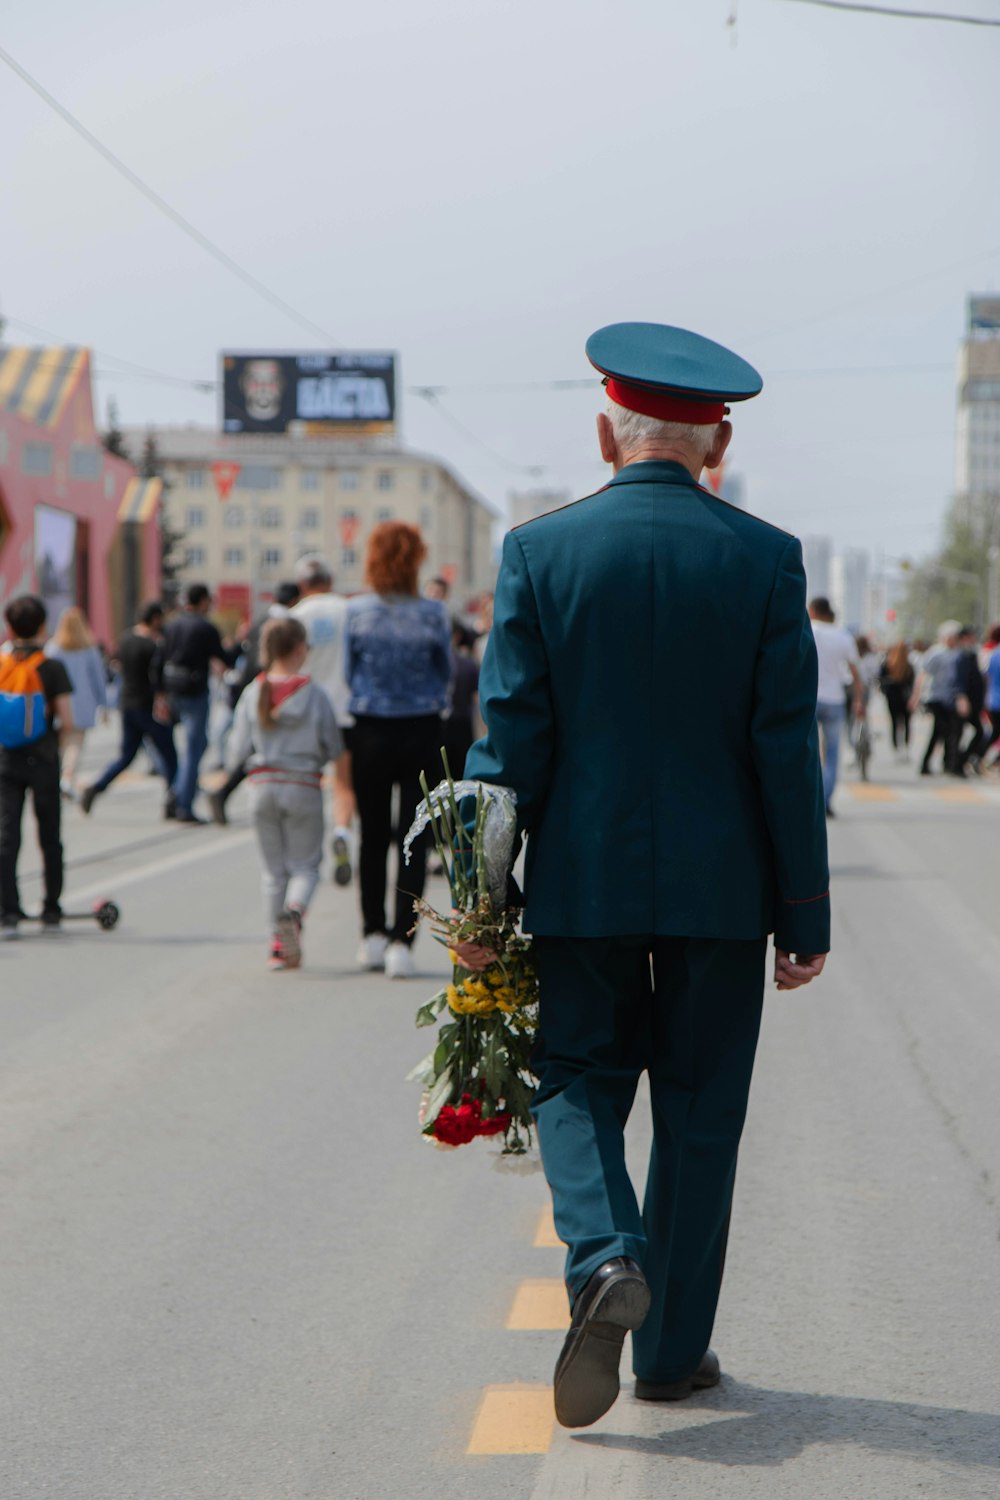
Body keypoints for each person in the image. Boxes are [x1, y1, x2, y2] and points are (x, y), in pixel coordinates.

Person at [455, 321, 829, 1429]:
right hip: (723, 892)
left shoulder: (539, 552)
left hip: (584, 883)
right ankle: (668, 1356)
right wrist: (802, 914)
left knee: (574, 1078)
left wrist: (477, 903)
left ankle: (604, 1258)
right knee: (703, 1114)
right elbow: (782, 749)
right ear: (714, 444)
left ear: (605, 433)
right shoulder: (765, 557)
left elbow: (506, 746)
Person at [345, 521, 451, 979]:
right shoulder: (434, 614)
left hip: (369, 728)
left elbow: (349, 672)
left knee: (372, 832)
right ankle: (400, 942)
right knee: (414, 836)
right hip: (421, 728)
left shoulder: (357, 611)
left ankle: (370, 934)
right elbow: (445, 671)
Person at [227, 617, 342, 971]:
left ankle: (277, 947)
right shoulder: (314, 693)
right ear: (297, 649)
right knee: (306, 867)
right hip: (302, 785)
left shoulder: (253, 691)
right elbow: (333, 746)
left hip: (261, 787)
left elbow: (235, 751)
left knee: (273, 873)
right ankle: (294, 913)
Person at [0, 595, 74, 935]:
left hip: (5, 759)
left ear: (9, 627)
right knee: (49, 834)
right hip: (43, 759)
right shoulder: (51, 666)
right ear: (43, 626)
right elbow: (67, 720)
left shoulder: (2, 664)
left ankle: (9, 911)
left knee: (6, 835)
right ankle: (51, 908)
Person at [208, 581, 300, 825]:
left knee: (255, 746)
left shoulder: (262, 618)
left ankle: (224, 792)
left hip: (253, 687)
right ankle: (225, 791)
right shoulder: (288, 624)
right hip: (274, 690)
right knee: (264, 748)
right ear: (294, 601)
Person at [80, 602, 178, 817]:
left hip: (127, 704)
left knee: (126, 756)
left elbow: (116, 663)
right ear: (154, 619)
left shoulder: (125, 639)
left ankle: (96, 787)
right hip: (147, 706)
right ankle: (173, 801)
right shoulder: (152, 645)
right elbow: (159, 680)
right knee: (170, 756)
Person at [291, 557, 355, 884]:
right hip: (346, 711)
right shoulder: (348, 610)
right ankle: (342, 829)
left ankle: (308, 849)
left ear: (303, 584)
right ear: (330, 581)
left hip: (307, 713)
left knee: (309, 782)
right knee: (343, 783)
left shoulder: (296, 615)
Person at [161, 583, 239, 824]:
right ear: (203, 601)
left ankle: (177, 793)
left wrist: (159, 694)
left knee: (193, 747)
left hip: (173, 688)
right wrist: (239, 643)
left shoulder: (172, 625)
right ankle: (183, 803)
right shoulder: (205, 628)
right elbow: (225, 659)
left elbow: (159, 658)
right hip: (195, 691)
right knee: (195, 748)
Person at [808, 597, 864, 816]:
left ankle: (810, 800)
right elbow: (855, 671)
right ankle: (825, 801)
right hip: (835, 700)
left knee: (808, 752)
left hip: (809, 700)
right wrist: (859, 700)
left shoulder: (806, 629)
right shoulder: (843, 636)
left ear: (812, 610)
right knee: (832, 754)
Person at [45, 606, 107, 799]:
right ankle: (68, 777)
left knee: (62, 743)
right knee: (76, 744)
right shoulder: (89, 648)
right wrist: (103, 704)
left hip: (59, 702)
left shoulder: (53, 648)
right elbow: (99, 679)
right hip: (83, 703)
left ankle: (58, 777)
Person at [910, 620, 961, 776]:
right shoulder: (935, 653)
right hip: (935, 698)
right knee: (940, 730)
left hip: (950, 698)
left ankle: (946, 763)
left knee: (948, 731)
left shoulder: (957, 653)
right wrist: (916, 696)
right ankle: (928, 763)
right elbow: (923, 675)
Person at [953, 625, 987, 776]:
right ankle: (957, 763)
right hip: (966, 701)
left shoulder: (970, 654)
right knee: (972, 732)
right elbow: (959, 679)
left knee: (962, 733)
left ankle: (957, 762)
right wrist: (961, 698)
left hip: (972, 701)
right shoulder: (962, 655)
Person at [879, 641, 915, 759]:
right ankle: (905, 748)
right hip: (904, 698)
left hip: (893, 699)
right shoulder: (908, 666)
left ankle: (896, 748)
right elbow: (912, 684)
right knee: (906, 723)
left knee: (895, 723)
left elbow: (881, 682)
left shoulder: (888, 665)